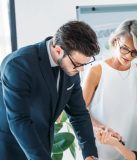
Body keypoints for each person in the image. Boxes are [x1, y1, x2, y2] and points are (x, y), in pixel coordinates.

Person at [0, 21, 100, 160]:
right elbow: (19, 120)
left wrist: (90, 154)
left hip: (43, 145)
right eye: (77, 64)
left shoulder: (71, 69)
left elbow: (79, 113)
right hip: (11, 148)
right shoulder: (18, 64)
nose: (81, 70)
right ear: (58, 50)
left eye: (84, 64)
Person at [82, 19, 137, 159]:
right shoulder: (97, 71)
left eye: (134, 53)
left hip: (130, 149)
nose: (128, 56)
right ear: (116, 41)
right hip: (101, 148)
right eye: (125, 48)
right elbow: (80, 111)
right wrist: (101, 127)